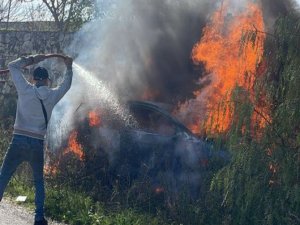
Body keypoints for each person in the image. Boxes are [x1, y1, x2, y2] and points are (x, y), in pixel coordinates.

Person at [0, 54, 73, 225]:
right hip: (37, 144)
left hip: (18, 141)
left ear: (33, 79)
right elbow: (66, 85)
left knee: (3, 176)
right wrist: (69, 67)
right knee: (39, 182)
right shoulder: (53, 96)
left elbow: (12, 66)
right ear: (47, 81)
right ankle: (38, 218)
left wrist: (33, 59)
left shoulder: (25, 89)